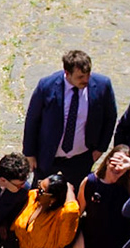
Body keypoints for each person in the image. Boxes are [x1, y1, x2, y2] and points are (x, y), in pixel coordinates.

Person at [22, 48, 116, 186]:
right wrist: (29, 153)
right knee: (40, 194)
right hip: (49, 156)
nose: (86, 80)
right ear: (67, 73)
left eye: (88, 75)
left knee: (75, 197)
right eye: (80, 77)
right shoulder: (47, 86)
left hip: (81, 158)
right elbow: (32, 120)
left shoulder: (102, 85)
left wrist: (100, 149)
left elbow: (110, 117)